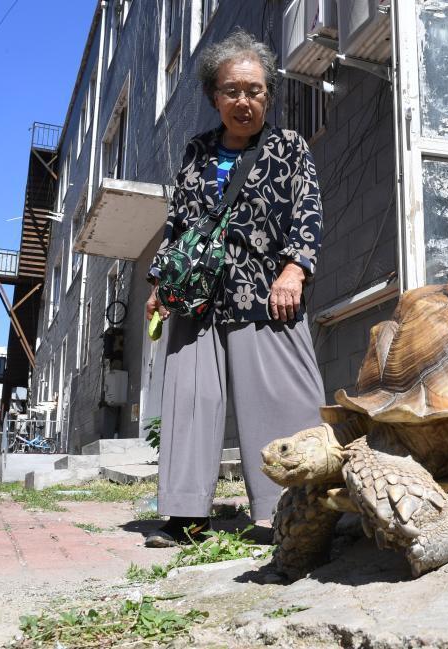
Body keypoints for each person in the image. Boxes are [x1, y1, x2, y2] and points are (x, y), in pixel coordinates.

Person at [143, 29, 325, 547]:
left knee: (281, 402)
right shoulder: (197, 150)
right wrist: (159, 281)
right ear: (214, 96)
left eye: (255, 90)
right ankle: (185, 518)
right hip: (198, 296)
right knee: (190, 399)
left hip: (265, 291)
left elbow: (307, 214)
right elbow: (179, 223)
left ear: (269, 93)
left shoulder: (289, 147)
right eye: (232, 91)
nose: (244, 101)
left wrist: (295, 270)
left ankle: (283, 513)